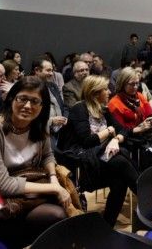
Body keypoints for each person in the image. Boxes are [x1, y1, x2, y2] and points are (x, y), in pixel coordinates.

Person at [0, 76, 69, 248]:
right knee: (57, 216)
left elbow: (48, 155)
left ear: (42, 106)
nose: (27, 106)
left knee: (63, 216)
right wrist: (54, 188)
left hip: (32, 194)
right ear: (11, 99)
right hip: (2, 203)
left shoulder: (39, 125)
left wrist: (54, 178)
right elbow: (1, 184)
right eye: (22, 98)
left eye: (35, 101)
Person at [58, 75, 138, 226]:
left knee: (120, 178)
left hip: (105, 159)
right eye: (105, 89)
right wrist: (109, 131)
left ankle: (108, 225)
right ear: (95, 93)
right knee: (121, 160)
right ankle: (146, 195)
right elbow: (87, 141)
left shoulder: (104, 110)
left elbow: (123, 130)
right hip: (84, 164)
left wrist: (115, 139)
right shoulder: (79, 109)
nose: (109, 92)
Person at [32, 58, 68, 133]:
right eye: (48, 70)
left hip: (61, 130)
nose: (51, 73)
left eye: (52, 70)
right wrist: (51, 121)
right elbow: (29, 117)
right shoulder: (29, 88)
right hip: (41, 132)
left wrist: (65, 118)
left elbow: (63, 106)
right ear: (37, 70)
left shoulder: (53, 86)